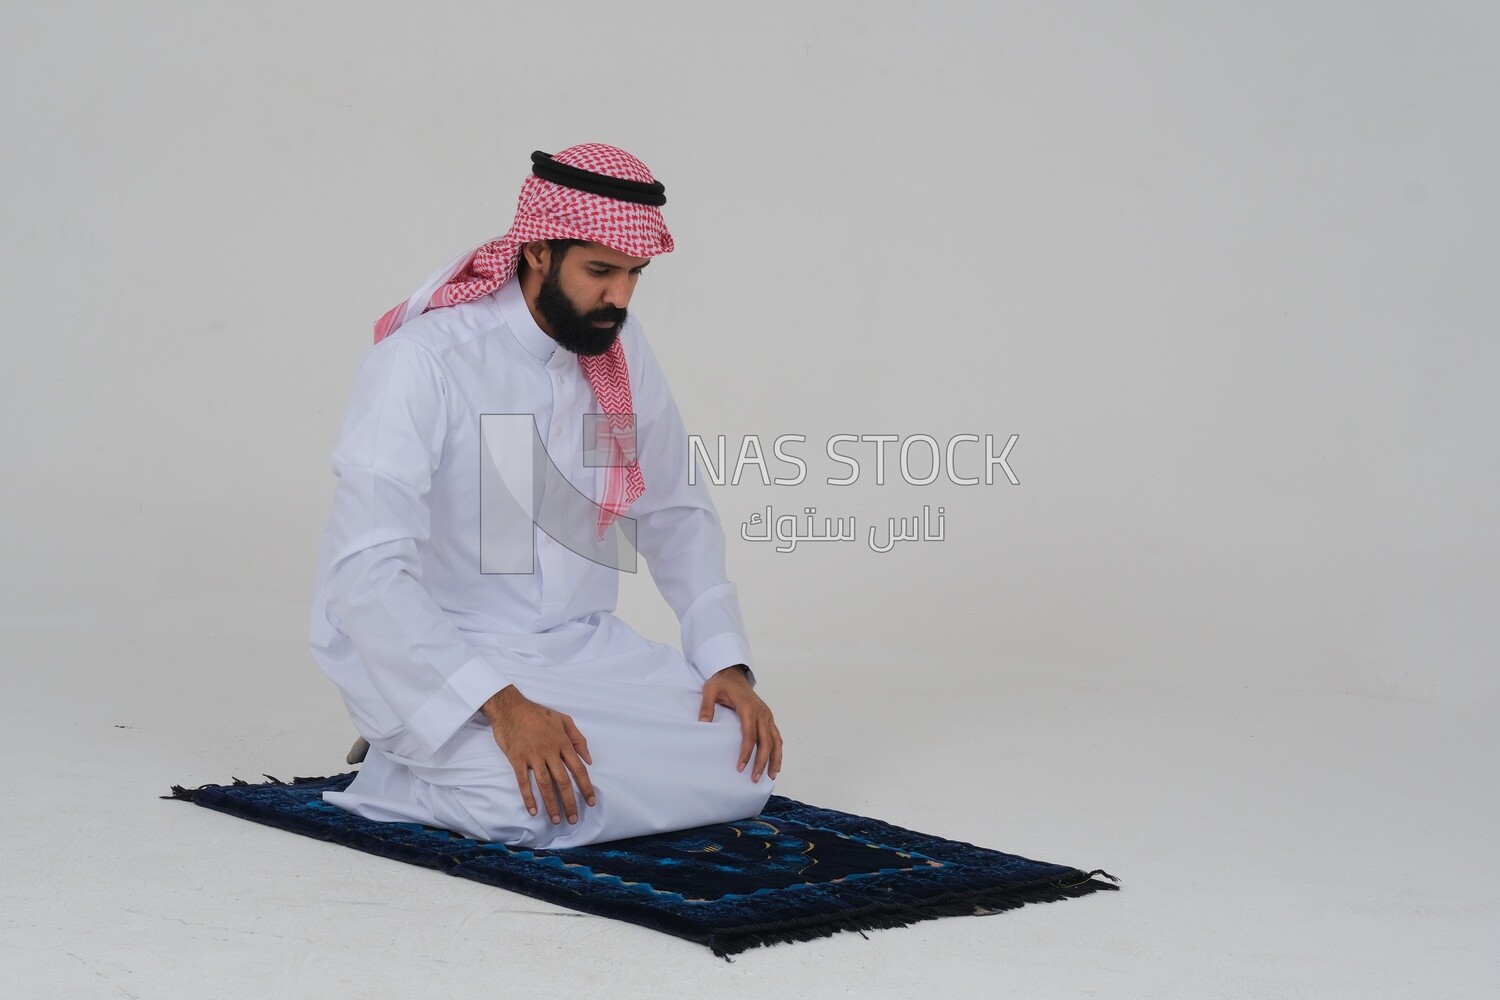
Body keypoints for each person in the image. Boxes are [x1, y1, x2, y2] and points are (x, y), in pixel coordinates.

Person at [307, 143, 782, 849]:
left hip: (580, 651)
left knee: (743, 769)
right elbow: (367, 576)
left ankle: (464, 767)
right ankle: (397, 768)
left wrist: (724, 661)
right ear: (535, 253)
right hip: (435, 651)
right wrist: (498, 705)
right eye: (600, 271)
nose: (619, 297)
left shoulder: (618, 349)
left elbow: (676, 509)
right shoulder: (423, 363)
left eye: (633, 275)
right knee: (528, 805)